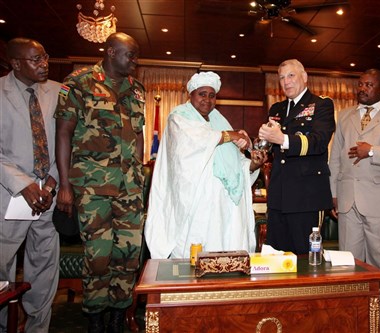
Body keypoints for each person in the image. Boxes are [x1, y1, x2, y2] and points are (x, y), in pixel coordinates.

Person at [54, 32, 145, 333]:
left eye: (135, 55)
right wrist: (65, 184)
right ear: (109, 52)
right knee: (98, 257)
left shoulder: (137, 89)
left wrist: (140, 175)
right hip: (93, 187)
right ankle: (95, 317)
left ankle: (118, 316)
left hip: (130, 188)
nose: (134, 61)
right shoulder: (78, 83)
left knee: (129, 256)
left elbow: (140, 136)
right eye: (129, 55)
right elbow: (64, 133)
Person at [145, 71, 266, 259]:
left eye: (212, 95)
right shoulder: (179, 116)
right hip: (197, 201)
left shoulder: (218, 119)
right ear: (191, 94)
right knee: (196, 255)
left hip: (225, 203)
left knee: (226, 252)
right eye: (202, 94)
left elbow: (233, 162)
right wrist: (230, 135)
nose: (207, 100)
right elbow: (196, 141)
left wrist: (253, 165)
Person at [329, 68, 380, 323]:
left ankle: (378, 316)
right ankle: (350, 313)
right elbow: (335, 158)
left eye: (368, 85)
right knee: (347, 262)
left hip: (379, 201)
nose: (362, 89)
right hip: (347, 199)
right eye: (360, 84)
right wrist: (333, 193)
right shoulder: (344, 116)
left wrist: (373, 151)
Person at [0, 38, 60, 332]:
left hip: (48, 196)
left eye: (45, 56)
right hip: (8, 197)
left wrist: (53, 179)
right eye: (35, 59)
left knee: (45, 268)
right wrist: (23, 183)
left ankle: (38, 327)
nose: (44, 64)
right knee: (3, 270)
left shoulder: (60, 92)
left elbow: (68, 142)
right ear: (15, 64)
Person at [257, 59, 335, 255]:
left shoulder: (321, 104)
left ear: (304, 77)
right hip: (279, 195)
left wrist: (282, 139)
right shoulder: (277, 109)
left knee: (306, 258)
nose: (286, 82)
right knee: (276, 257)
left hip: (306, 196)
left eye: (291, 75)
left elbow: (319, 142)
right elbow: (271, 149)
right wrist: (258, 145)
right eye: (282, 78)